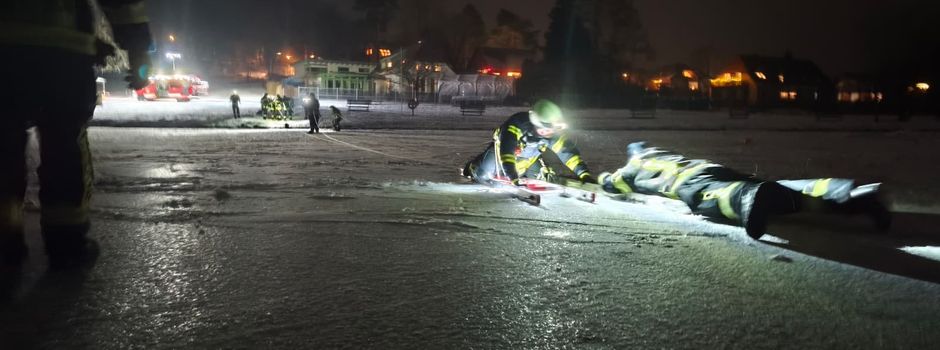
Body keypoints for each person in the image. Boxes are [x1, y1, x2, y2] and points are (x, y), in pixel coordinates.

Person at [0, 0, 154, 267]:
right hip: (65, 54)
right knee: (64, 150)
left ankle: (4, 246)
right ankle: (67, 246)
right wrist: (138, 49)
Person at [596, 142, 892, 239]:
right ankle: (850, 194)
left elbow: (614, 184)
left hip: (692, 182)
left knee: (708, 197)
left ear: (633, 154)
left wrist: (604, 176)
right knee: (779, 187)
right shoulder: (663, 153)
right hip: (711, 167)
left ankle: (748, 199)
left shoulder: (634, 165)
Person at [462, 99, 594, 185]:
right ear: (538, 125)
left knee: (537, 179)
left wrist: (584, 174)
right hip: (500, 154)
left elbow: (568, 153)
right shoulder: (517, 124)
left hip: (529, 159)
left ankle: (524, 173)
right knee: (484, 174)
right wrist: (512, 177)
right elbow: (506, 151)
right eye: (549, 129)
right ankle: (474, 166)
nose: (551, 132)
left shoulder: (551, 133)